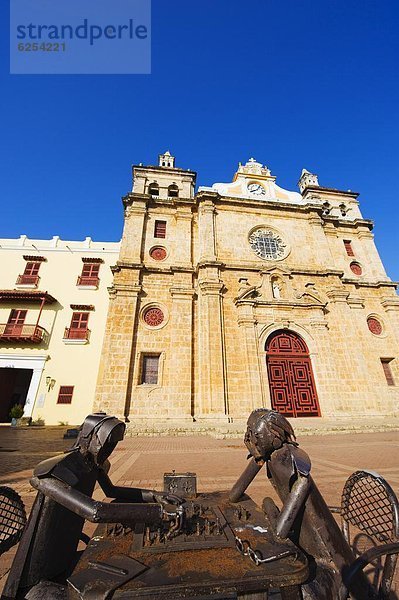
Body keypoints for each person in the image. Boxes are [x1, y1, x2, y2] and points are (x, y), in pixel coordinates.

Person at [2, 413, 183, 600]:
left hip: (65, 556)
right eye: (109, 444)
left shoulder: (90, 463)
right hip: (36, 582)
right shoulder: (56, 471)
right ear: (94, 438)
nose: (110, 450)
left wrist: (154, 496)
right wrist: (159, 513)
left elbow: (112, 491)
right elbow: (95, 511)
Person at [230, 408, 372, 600]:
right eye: (248, 432)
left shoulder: (293, 462)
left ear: (275, 436)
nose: (249, 439)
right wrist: (257, 458)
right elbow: (234, 495)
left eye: (254, 434)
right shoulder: (271, 455)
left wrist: (269, 508)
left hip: (327, 564)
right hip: (302, 545)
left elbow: (280, 532)